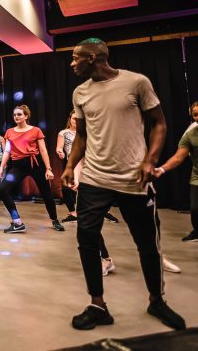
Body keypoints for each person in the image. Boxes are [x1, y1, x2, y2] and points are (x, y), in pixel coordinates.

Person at [62, 38, 184, 331]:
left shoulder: (136, 83)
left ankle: (157, 300)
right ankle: (97, 305)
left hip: (133, 179)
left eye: (76, 58)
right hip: (94, 178)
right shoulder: (80, 92)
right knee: (87, 239)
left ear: (92, 57)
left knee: (147, 244)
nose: (72, 63)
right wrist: (69, 166)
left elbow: (159, 123)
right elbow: (81, 136)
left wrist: (150, 160)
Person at [0, 105, 64, 233]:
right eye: (15, 114)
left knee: (46, 193)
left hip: (35, 164)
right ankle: (17, 222)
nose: (16, 116)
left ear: (26, 116)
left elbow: (43, 150)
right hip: (18, 165)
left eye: (19, 114)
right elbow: (7, 151)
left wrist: (48, 169)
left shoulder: (36, 130)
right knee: (2, 190)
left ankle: (55, 220)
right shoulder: (10, 132)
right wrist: (1, 167)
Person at [57, 111, 119, 225]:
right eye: (73, 118)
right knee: (68, 187)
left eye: (78, 119)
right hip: (73, 162)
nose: (75, 121)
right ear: (70, 119)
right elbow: (59, 147)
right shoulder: (64, 133)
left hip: (88, 160)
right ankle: (73, 213)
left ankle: (104, 211)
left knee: (99, 186)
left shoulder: (87, 132)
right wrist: (60, 152)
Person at [154, 101, 198, 242]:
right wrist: (162, 169)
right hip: (197, 176)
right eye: (196, 115)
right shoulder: (190, 135)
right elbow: (179, 157)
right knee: (195, 208)